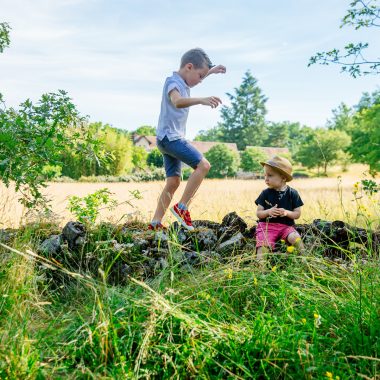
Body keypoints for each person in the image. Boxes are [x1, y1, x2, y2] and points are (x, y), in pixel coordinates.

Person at [148, 48, 226, 231]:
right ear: (189, 67)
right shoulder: (173, 83)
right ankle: (182, 208)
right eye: (200, 76)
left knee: (173, 181)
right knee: (204, 165)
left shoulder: (184, 82)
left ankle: (155, 222)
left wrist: (211, 71)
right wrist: (201, 100)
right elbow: (177, 101)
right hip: (171, 139)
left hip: (165, 140)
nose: (200, 81)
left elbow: (193, 79)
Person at [255, 156, 304, 261]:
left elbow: (297, 214)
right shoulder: (265, 193)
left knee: (295, 238)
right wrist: (268, 211)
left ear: (283, 178)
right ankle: (261, 269)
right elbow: (259, 213)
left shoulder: (293, 193)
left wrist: (287, 213)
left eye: (270, 175)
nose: (266, 179)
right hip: (267, 227)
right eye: (265, 175)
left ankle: (304, 260)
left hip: (286, 227)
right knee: (263, 245)